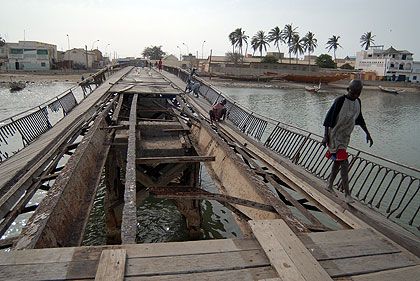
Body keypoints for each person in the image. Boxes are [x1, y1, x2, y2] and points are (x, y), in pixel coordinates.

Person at [322, 79, 373, 203]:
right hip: (335, 136)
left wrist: (368, 133)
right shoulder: (340, 101)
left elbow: (360, 119)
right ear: (348, 90)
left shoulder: (358, 102)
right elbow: (328, 119)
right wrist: (325, 136)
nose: (355, 95)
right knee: (344, 162)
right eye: (353, 92)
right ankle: (347, 194)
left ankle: (329, 185)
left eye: (358, 93)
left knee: (338, 162)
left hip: (345, 137)